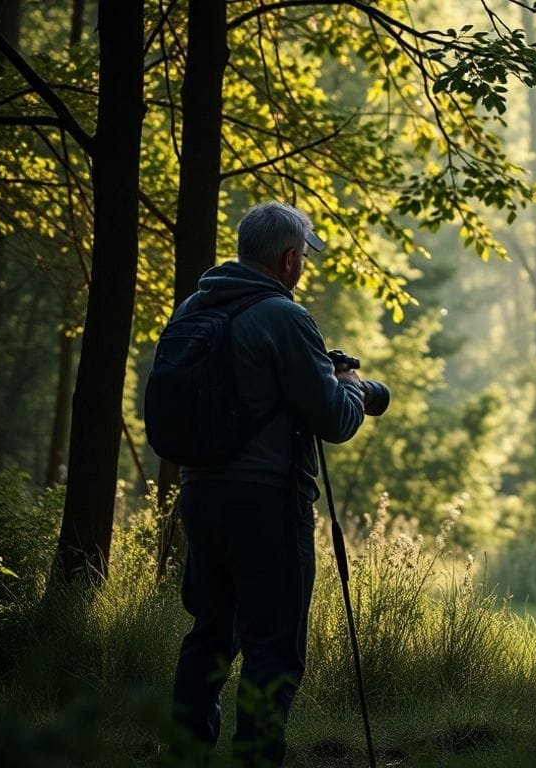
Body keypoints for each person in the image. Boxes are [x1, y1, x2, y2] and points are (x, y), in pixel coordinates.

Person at [168, 201, 386, 766]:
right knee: (272, 644)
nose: (303, 268)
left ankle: (187, 754)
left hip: (199, 493)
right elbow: (335, 420)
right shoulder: (284, 317)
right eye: (303, 258)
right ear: (289, 258)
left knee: (211, 632)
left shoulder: (194, 308)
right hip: (265, 500)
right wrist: (352, 386)